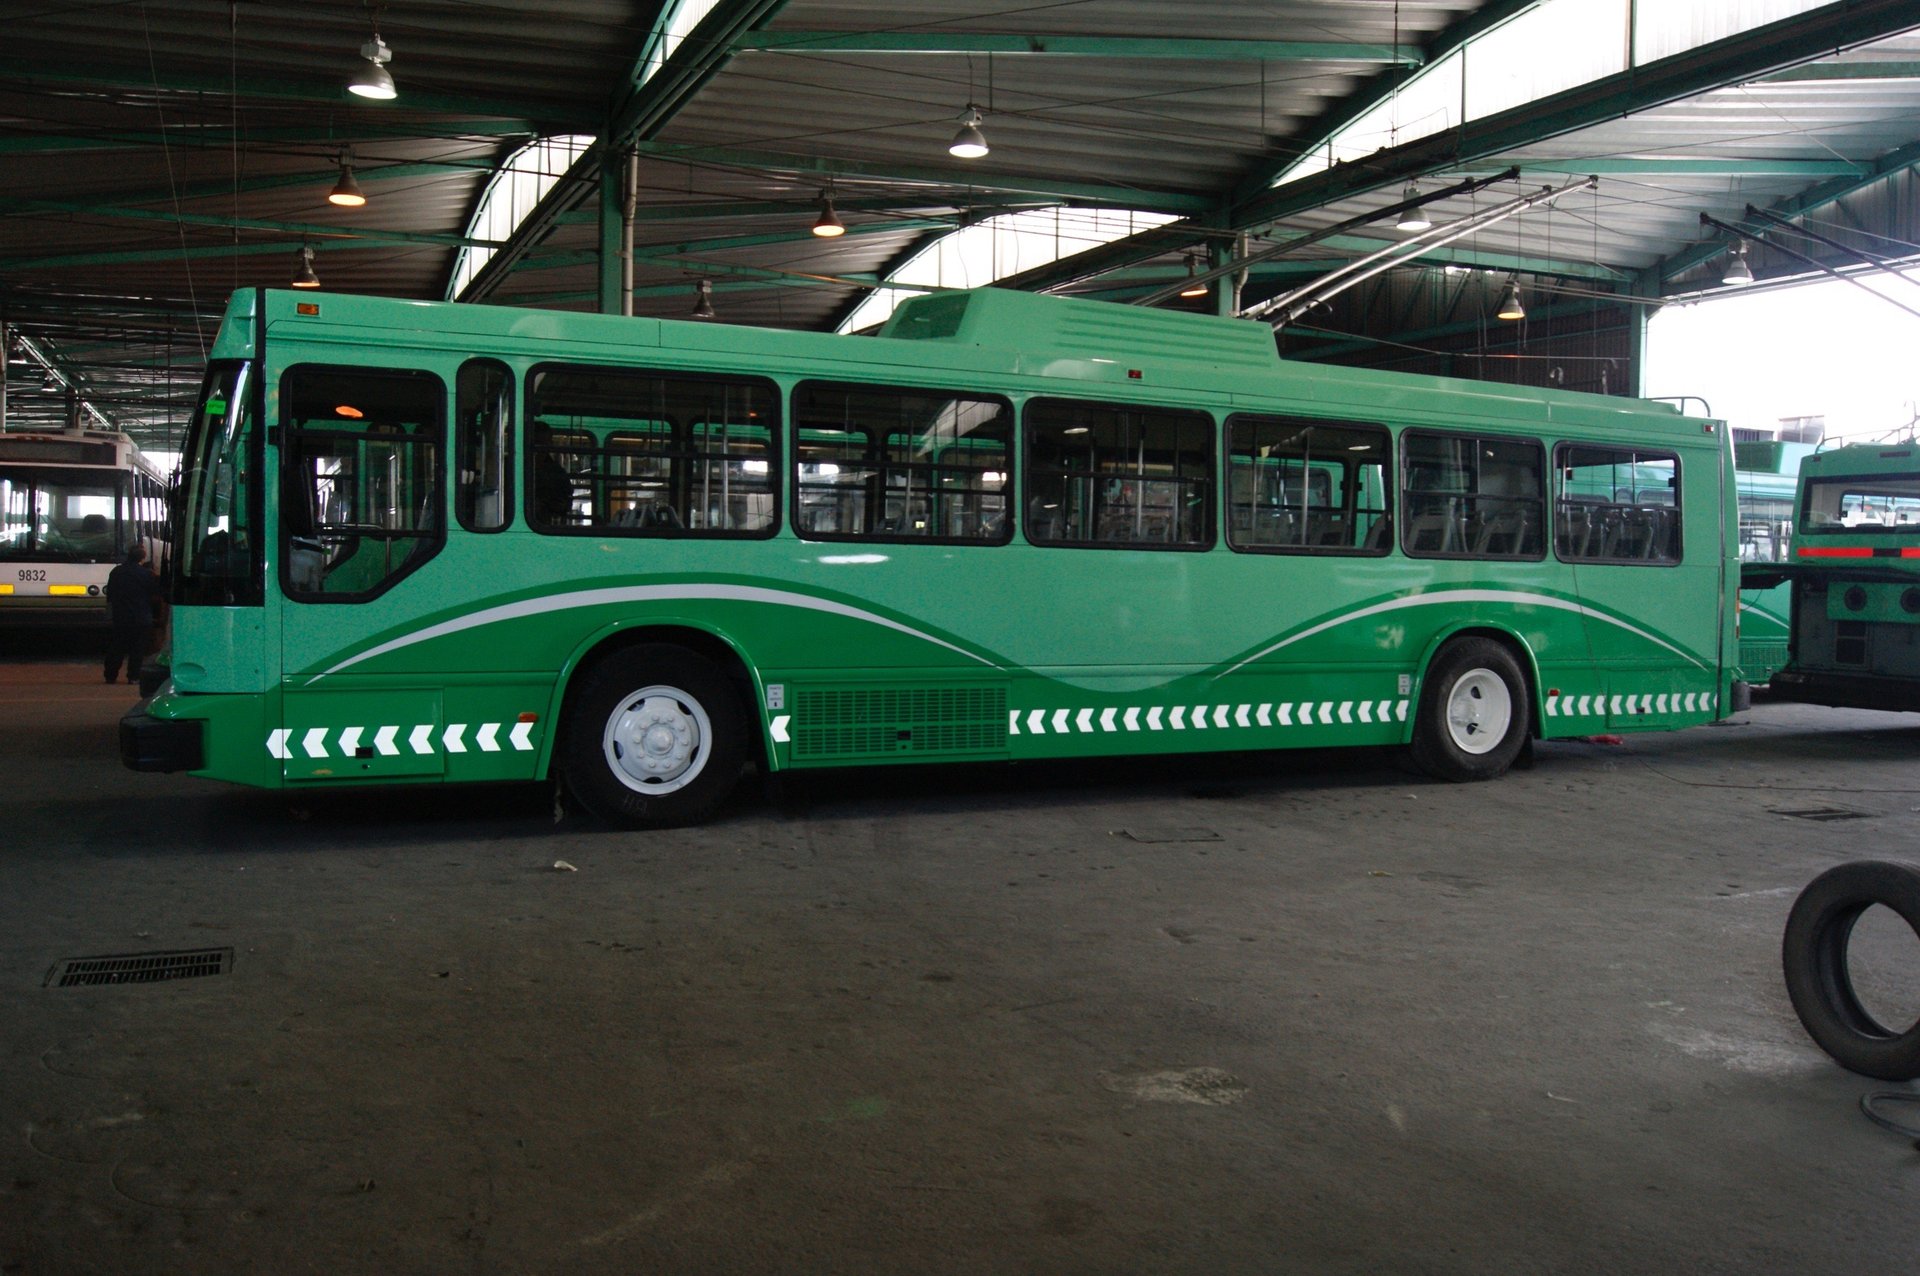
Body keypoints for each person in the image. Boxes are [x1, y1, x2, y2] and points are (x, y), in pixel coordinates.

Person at [104, 543, 165, 687]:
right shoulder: (145, 574)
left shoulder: (116, 572)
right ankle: (133, 676)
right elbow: (155, 593)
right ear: (143, 558)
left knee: (117, 647)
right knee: (137, 649)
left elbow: (110, 594)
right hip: (141, 617)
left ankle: (110, 675)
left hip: (121, 617)